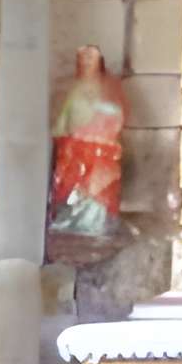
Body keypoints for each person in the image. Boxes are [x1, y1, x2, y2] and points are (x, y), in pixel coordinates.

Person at [47, 46, 127, 247]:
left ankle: (94, 223)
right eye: (83, 58)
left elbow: (118, 113)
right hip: (74, 146)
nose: (87, 62)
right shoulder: (73, 88)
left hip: (101, 147)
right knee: (72, 182)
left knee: (96, 185)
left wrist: (100, 117)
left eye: (91, 58)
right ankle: (70, 221)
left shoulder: (109, 88)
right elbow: (64, 117)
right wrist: (62, 134)